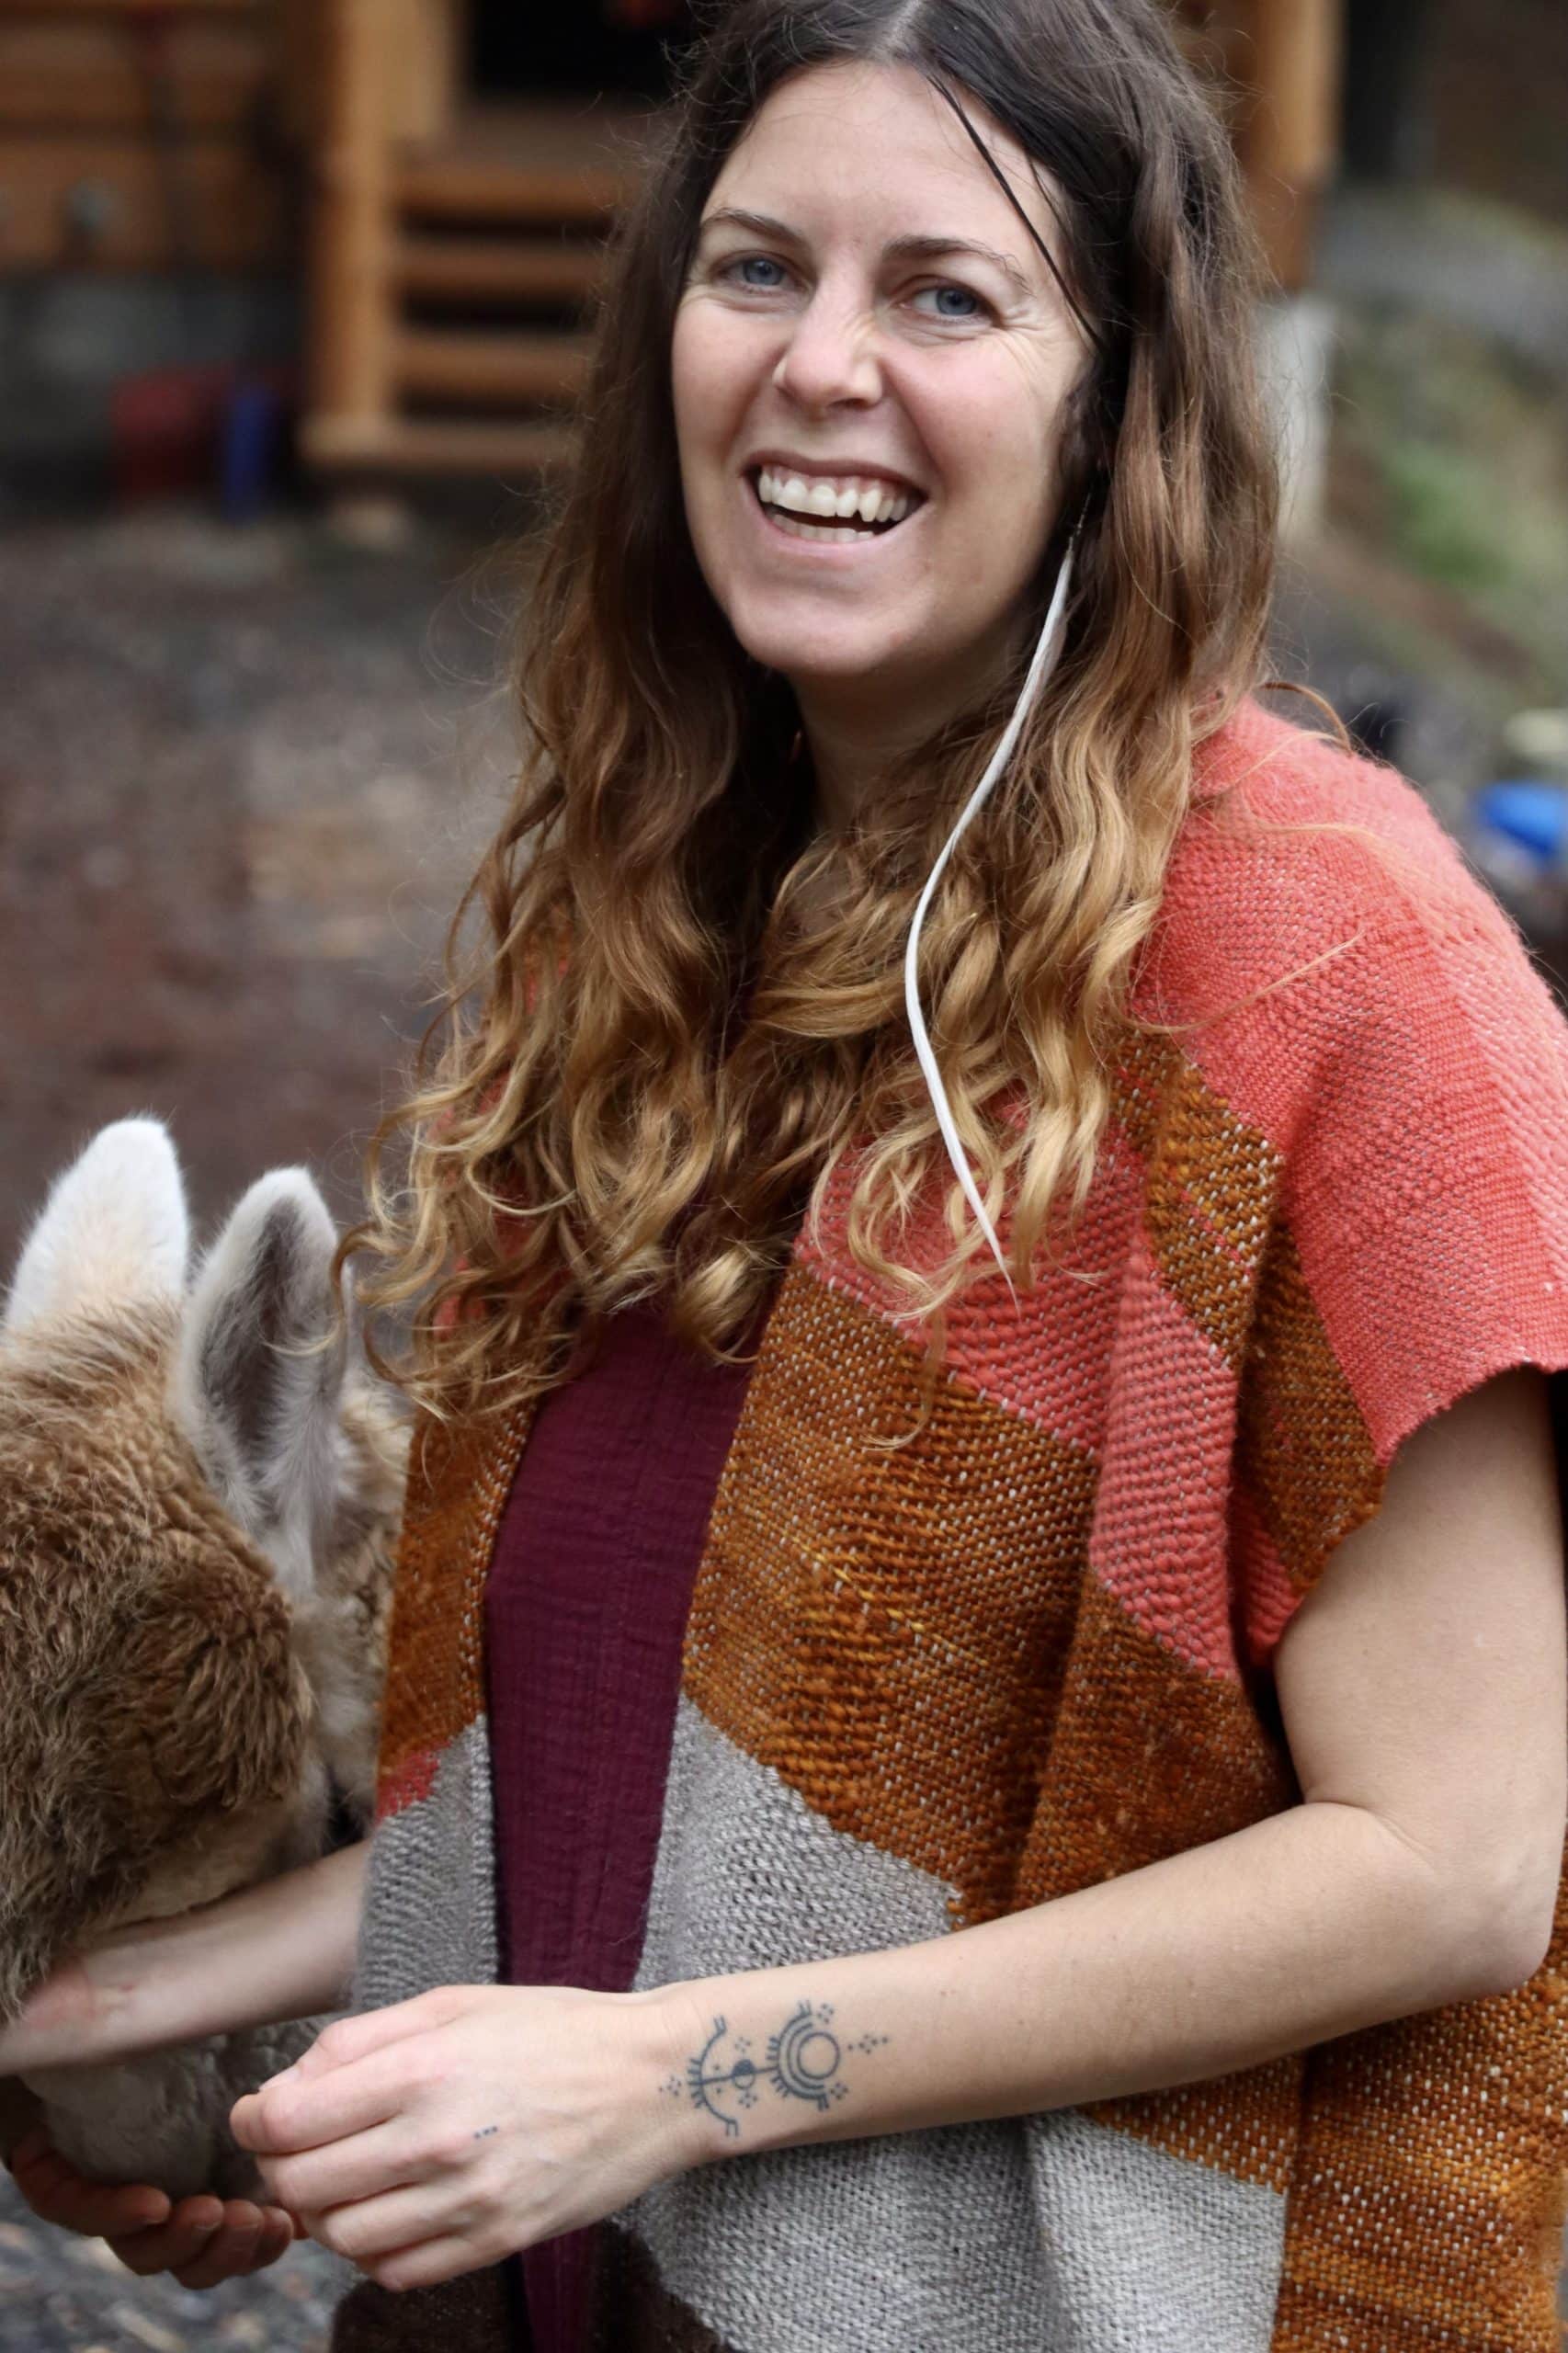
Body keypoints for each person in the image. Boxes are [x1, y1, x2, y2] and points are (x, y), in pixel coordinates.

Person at [6, 0, 1568, 2346]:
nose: (820, 365)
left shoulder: (1346, 979)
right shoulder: (651, 933)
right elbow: (607, 1779)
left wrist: (663, 2078)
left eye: (945, 293)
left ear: (1115, 399)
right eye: (756, 269)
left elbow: (1451, 1861)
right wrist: (111, 2014)